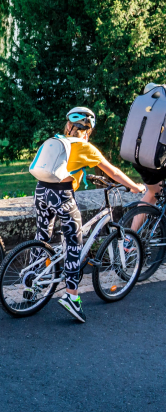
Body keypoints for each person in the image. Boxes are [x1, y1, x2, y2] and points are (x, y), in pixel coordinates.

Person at [32, 107, 145, 324]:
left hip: (40, 191)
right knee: (74, 244)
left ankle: (31, 285)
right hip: (61, 195)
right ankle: (72, 297)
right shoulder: (84, 147)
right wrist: (134, 187)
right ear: (89, 129)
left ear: (68, 126)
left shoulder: (56, 140)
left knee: (42, 237)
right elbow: (113, 172)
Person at [129, 84, 166, 235]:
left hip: (139, 160)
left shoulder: (143, 108)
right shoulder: (162, 110)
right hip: (156, 161)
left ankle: (130, 237)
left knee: (152, 192)